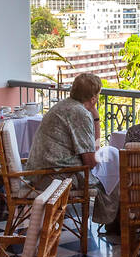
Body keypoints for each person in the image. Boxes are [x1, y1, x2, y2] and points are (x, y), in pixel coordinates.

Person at [27, 72, 118, 227]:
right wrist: (96, 119)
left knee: (110, 167)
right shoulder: (79, 113)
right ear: (93, 98)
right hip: (54, 177)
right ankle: (115, 225)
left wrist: (94, 116)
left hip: (40, 172)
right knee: (115, 169)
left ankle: (112, 222)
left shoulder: (64, 105)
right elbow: (90, 161)